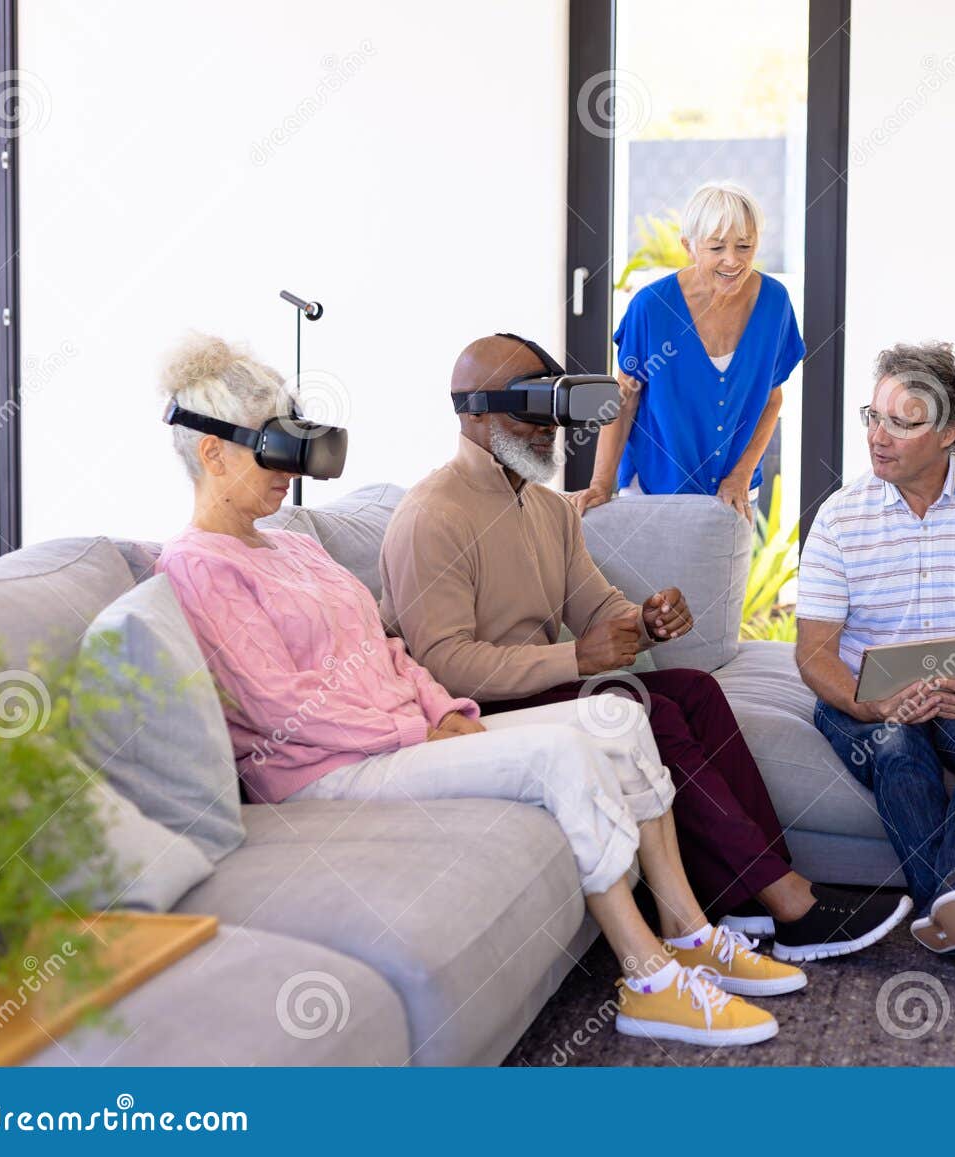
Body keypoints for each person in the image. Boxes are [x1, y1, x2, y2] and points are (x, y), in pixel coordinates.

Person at [154, 333, 792, 1049]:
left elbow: (388, 650)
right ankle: (647, 979)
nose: (287, 468)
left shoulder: (296, 546)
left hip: (404, 734)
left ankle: (689, 929)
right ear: (212, 453)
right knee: (560, 755)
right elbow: (279, 708)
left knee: (615, 717)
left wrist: (441, 709)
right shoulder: (199, 565)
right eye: (270, 447)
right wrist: (414, 730)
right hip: (325, 771)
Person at [378, 332, 910, 966]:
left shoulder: (549, 511)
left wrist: (644, 618)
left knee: (694, 689)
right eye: (530, 410)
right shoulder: (431, 515)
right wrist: (580, 659)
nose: (549, 428)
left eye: (554, 408)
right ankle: (790, 902)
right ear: (473, 414)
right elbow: (445, 665)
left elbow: (595, 606)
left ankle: (743, 902)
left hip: (539, 694)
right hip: (473, 717)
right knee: (641, 708)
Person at [795, 341, 955, 984]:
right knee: (898, 744)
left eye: (902, 423)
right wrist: (869, 703)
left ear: (950, 434)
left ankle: (954, 907)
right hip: (864, 697)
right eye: (872, 416)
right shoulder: (840, 518)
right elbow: (815, 652)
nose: (878, 437)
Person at [569, 181, 805, 523]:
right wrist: (600, 484)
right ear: (689, 247)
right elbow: (625, 398)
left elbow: (771, 399)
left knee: (721, 578)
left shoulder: (774, 303)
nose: (732, 260)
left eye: (744, 246)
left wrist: (741, 475)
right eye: (716, 247)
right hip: (655, 489)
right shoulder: (651, 307)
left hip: (734, 493)